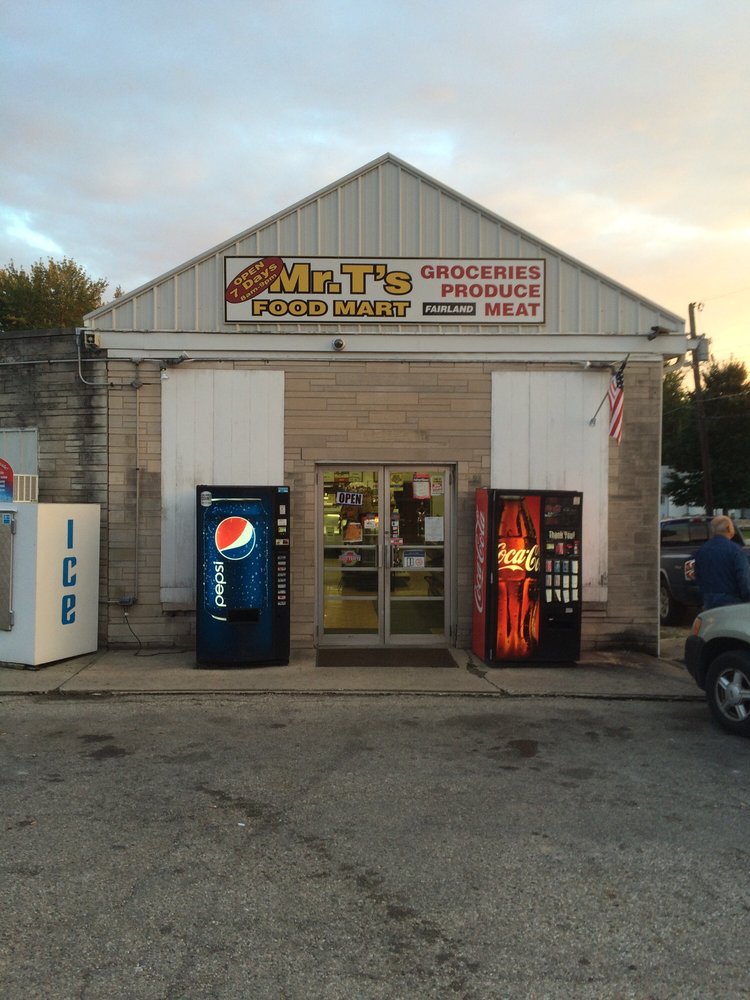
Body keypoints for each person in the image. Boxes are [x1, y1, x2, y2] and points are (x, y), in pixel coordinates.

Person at [694, 515, 750, 610]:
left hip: (709, 601)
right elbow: (744, 579)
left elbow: (698, 576)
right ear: (728, 528)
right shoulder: (736, 550)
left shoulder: (702, 550)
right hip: (732, 602)